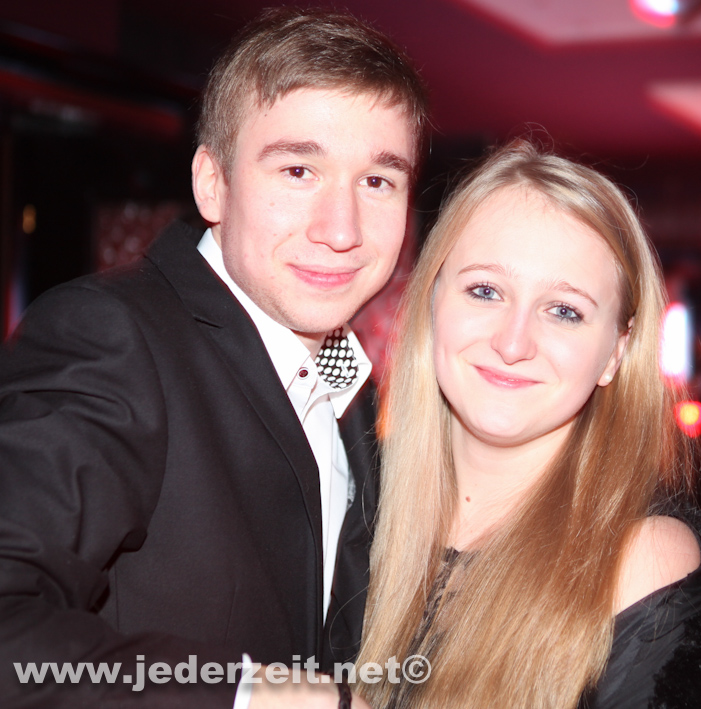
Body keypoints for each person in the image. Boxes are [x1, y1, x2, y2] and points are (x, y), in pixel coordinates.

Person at [0, 7, 426, 708]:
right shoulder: (113, 336)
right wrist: (244, 694)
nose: (342, 229)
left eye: (377, 181)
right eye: (298, 170)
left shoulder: (348, 382)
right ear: (212, 184)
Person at [352, 139, 701, 708]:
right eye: (485, 291)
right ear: (432, 302)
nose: (513, 343)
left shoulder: (636, 563)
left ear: (615, 353)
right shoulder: (350, 509)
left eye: (564, 311)